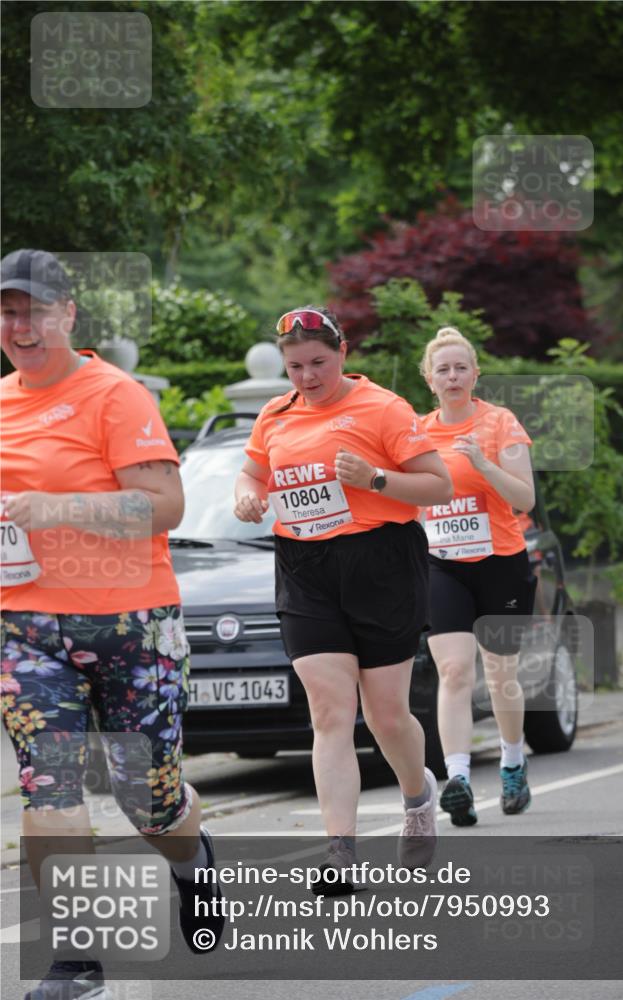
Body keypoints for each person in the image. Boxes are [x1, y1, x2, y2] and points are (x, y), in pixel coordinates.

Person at [0, 249, 224, 1000]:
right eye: (7, 311)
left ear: (68, 314)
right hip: (25, 627)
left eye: (33, 309)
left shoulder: (114, 395)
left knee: (148, 802)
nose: (19, 325)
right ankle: (74, 960)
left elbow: (163, 507)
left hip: (132, 625)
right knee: (50, 791)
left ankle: (192, 861)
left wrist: (63, 507)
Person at [234, 306, 453, 889]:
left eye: (318, 363)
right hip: (304, 565)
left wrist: (375, 480)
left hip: (380, 561)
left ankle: (417, 792)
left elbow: (439, 484)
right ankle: (341, 852)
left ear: (343, 353)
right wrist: (245, 496)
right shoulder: (274, 414)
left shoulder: (382, 408)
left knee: (386, 715)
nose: (307, 377)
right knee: (329, 711)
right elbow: (254, 474)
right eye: (295, 366)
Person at [419, 327, 537, 826]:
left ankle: (512, 761)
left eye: (460, 368)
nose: (452, 376)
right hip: (442, 564)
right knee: (453, 671)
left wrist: (482, 462)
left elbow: (524, 499)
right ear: (429, 379)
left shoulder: (499, 422)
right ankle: (459, 780)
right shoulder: (416, 431)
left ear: (475, 375)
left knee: (501, 675)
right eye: (442, 369)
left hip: (500, 564)